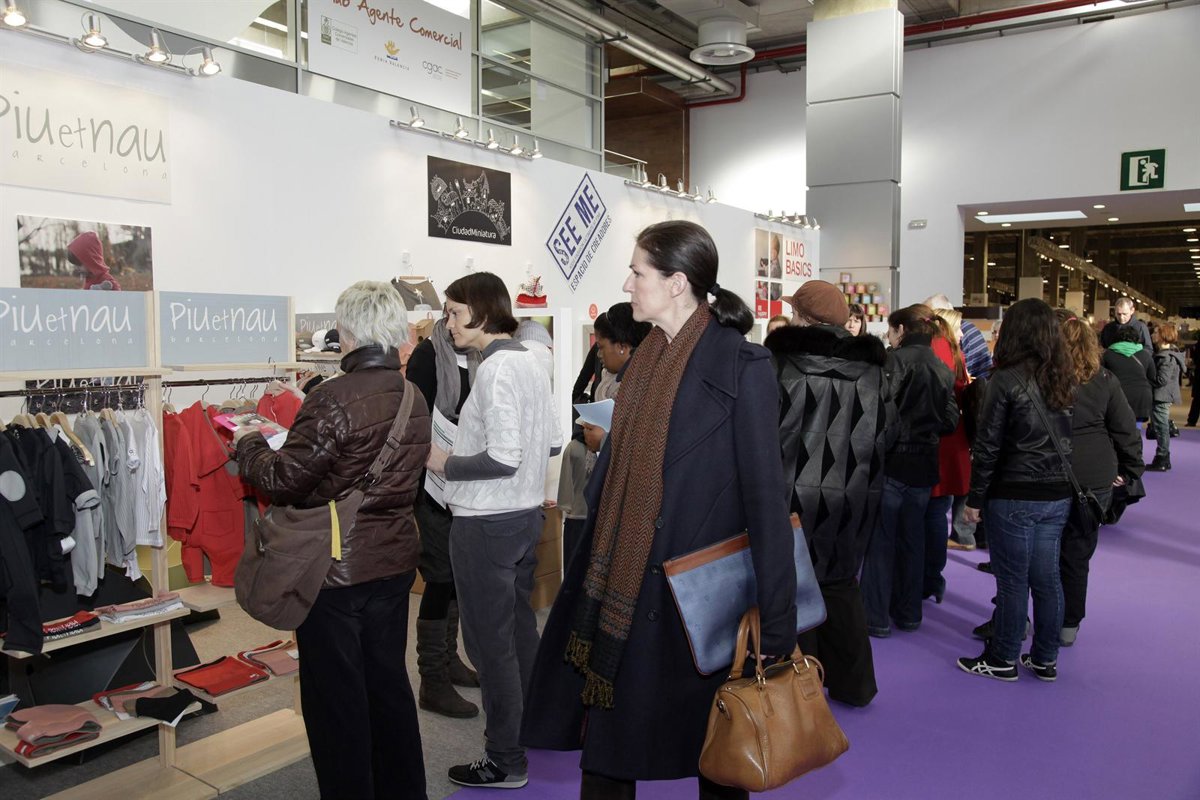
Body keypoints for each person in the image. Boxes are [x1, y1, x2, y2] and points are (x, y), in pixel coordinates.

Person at [522, 220, 797, 800]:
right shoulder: (645, 360)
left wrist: (777, 619)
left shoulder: (742, 367)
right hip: (624, 585)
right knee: (607, 746)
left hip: (698, 597)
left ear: (676, 282)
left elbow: (767, 500)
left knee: (720, 753)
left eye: (637, 272)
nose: (627, 283)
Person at [235, 280, 430, 799]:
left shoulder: (331, 398)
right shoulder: (412, 395)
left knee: (336, 701)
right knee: (388, 686)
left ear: (347, 332)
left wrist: (249, 442)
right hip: (393, 563)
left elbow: (284, 480)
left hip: (334, 570)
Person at [425, 271, 562, 790]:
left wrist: (445, 461)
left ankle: (505, 758)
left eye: (455, 312)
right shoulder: (532, 361)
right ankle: (535, 728)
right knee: (518, 631)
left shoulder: (496, 369)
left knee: (489, 646)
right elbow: (550, 442)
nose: (449, 323)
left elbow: (504, 456)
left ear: (482, 312)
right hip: (523, 516)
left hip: (487, 522)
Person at [765, 279, 892, 707]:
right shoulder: (876, 373)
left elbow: (762, 431)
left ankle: (802, 694)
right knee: (840, 584)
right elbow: (889, 433)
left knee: (792, 588)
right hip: (854, 494)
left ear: (804, 318)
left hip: (788, 495)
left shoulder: (779, 365)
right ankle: (856, 686)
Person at [958, 298, 1076, 683]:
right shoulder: (1063, 377)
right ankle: (1045, 658)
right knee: (1047, 579)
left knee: (1013, 581)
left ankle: (1003, 657)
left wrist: (975, 499)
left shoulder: (1005, 380)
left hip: (1014, 492)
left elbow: (988, 446)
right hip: (1056, 491)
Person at [861, 304, 958, 638]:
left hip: (892, 463)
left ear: (901, 330)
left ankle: (876, 617)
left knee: (881, 542)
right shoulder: (942, 366)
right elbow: (950, 420)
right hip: (924, 464)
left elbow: (880, 414)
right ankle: (909, 613)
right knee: (913, 540)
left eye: (890, 330)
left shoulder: (893, 362)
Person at [405, 317, 482, 719]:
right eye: (450, 312)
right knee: (438, 575)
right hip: (431, 483)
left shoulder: (479, 355)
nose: (454, 320)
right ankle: (432, 679)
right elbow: (414, 421)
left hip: (465, 478)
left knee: (456, 574)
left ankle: (449, 658)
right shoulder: (427, 354)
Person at [1058, 316, 1142, 647]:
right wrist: (1131, 470)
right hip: (1094, 478)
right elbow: (1126, 430)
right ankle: (1068, 624)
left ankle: (1024, 618)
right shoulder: (1105, 381)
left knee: (1040, 553)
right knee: (1078, 554)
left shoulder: (1041, 380)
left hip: (1049, 474)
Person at [557, 303, 649, 563]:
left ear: (622, 347)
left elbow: (643, 445)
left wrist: (604, 440)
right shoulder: (613, 382)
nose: (598, 355)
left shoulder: (641, 386)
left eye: (601, 346)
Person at [924, 312, 971, 604]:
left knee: (922, 516)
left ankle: (922, 579)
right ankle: (934, 578)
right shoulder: (955, 354)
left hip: (930, 443)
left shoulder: (928, 351)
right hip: (953, 443)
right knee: (938, 514)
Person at [1147, 322, 1185, 471]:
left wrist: (1147, 378)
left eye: (1156, 332)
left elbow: (1161, 380)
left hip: (1162, 396)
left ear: (1163, 336)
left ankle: (1162, 458)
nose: (1153, 335)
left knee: (1161, 428)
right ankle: (1163, 457)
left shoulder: (1166, 358)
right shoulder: (1166, 355)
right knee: (1160, 426)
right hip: (1162, 395)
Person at [926, 294, 991, 380]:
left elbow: (958, 379)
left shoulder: (961, 335)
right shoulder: (966, 330)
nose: (930, 323)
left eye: (933, 317)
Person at [1102, 325, 1156, 422]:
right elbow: (1152, 378)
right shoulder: (1145, 355)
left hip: (1117, 397)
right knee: (1136, 427)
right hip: (1141, 397)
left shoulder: (1107, 355)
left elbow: (1101, 378)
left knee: (1116, 426)